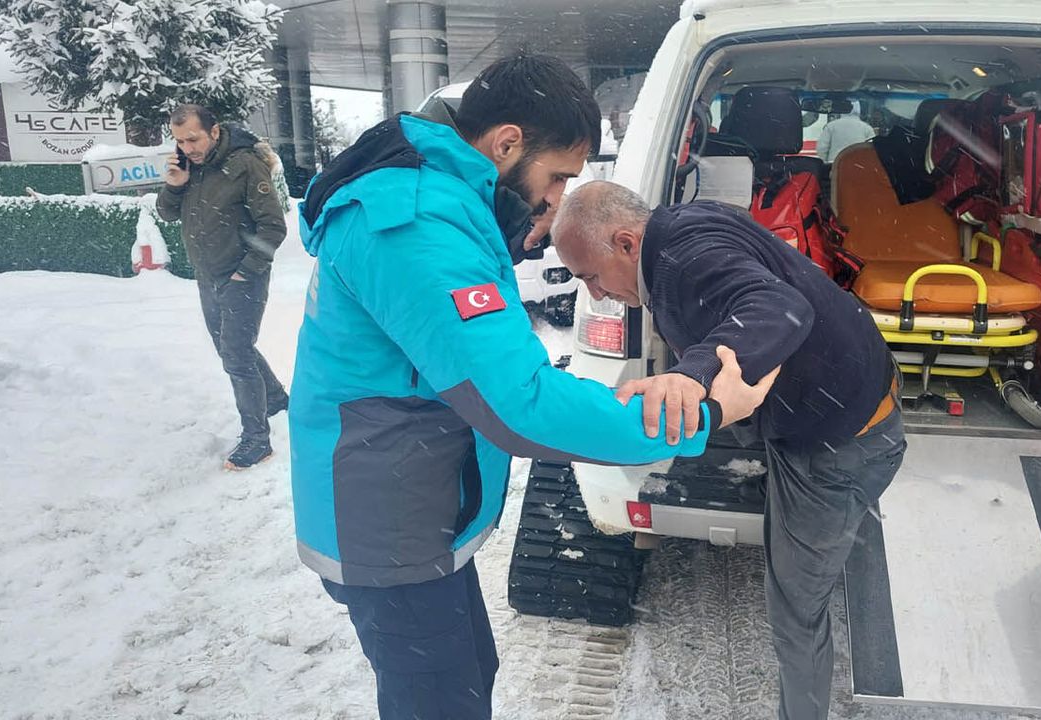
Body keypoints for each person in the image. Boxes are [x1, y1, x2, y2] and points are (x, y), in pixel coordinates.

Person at [288, 54, 777, 720]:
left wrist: (515, 222)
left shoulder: (442, 198)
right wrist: (703, 414)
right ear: (507, 143)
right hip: (385, 519)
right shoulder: (414, 223)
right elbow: (520, 404)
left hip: (409, 499)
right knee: (441, 701)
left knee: (467, 675)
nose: (557, 198)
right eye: (558, 177)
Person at [552, 181, 907, 720]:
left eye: (591, 277)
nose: (596, 295)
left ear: (625, 243)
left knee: (795, 611)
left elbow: (778, 306)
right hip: (846, 399)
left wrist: (692, 373)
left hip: (840, 446)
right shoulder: (681, 225)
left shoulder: (684, 263)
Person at [157, 104, 289, 470]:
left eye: (193, 139)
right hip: (208, 277)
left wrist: (245, 273)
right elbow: (166, 213)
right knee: (230, 348)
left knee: (236, 355)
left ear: (214, 132)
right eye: (180, 141)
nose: (187, 148)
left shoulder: (244, 165)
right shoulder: (190, 168)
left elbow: (273, 227)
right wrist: (174, 185)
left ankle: (257, 441)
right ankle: (277, 399)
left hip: (242, 277)